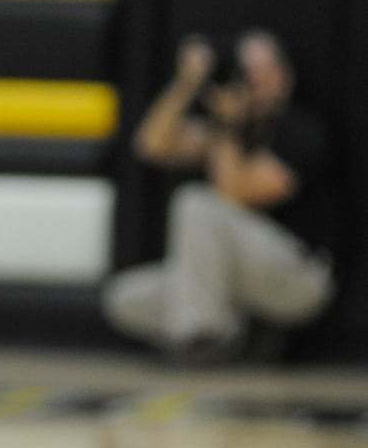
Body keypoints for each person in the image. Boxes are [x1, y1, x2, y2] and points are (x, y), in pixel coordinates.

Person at [101, 29, 337, 363]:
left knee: (197, 203)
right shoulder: (228, 129)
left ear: (284, 76)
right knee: (125, 298)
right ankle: (243, 333)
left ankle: (204, 339)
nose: (253, 81)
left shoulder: (301, 130)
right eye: (246, 71)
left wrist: (226, 127)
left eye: (262, 70)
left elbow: (236, 191)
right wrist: (187, 83)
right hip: (231, 279)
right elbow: (150, 144)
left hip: (297, 278)